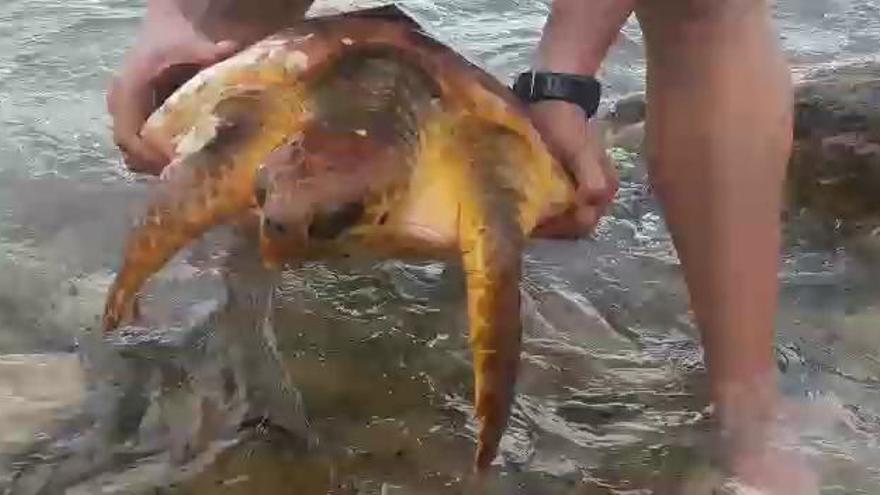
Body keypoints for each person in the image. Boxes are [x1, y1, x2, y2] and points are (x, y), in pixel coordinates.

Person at [106, 0, 814, 492]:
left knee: (705, 7)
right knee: (226, 43)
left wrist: (564, 77)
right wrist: (178, 20)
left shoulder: (475, 166)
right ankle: (238, 308)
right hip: (324, 80)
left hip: (461, 123)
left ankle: (747, 405)